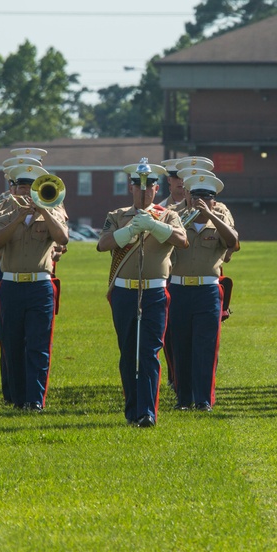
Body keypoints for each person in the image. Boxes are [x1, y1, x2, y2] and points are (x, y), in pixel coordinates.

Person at [97, 159, 187, 428]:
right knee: (128, 353)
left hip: (154, 293)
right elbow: (103, 244)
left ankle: (147, 411)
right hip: (125, 293)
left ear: (157, 189)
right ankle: (132, 409)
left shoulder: (168, 215)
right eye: (139, 186)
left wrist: (155, 226)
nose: (144, 191)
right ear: (131, 187)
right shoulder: (117, 215)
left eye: (149, 187)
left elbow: (182, 241)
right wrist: (130, 230)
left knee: (149, 353)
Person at [0, 164, 70, 411]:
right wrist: (18, 216)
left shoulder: (52, 210)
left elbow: (63, 238)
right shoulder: (2, 212)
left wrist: (43, 211)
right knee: (12, 344)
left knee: (38, 344)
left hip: (40, 286)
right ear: (13, 189)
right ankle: (17, 398)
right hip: (12, 284)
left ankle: (35, 399)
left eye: (30, 187)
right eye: (22, 187)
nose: (26, 192)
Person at [167, 172, 238, 411]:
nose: (200, 201)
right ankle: (183, 398)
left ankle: (204, 399)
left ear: (214, 201)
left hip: (207, 289)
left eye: (206, 197)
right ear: (188, 197)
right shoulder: (175, 217)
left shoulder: (220, 219)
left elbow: (233, 243)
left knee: (206, 345)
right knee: (180, 344)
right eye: (196, 196)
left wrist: (210, 216)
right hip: (178, 287)